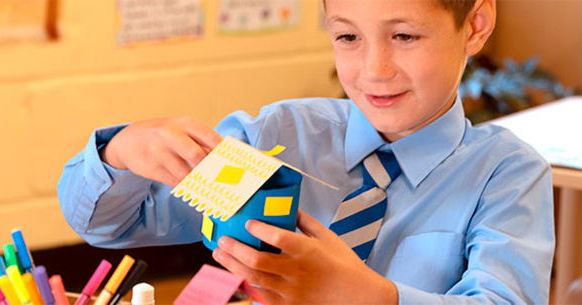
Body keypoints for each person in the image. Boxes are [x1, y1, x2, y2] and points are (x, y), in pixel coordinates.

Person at [58, 0, 555, 303]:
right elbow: (113, 224)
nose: (374, 68)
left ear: (475, 25)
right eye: (347, 37)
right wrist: (120, 151)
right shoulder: (279, 134)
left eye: (404, 36)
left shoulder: (507, 174)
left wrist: (371, 300)